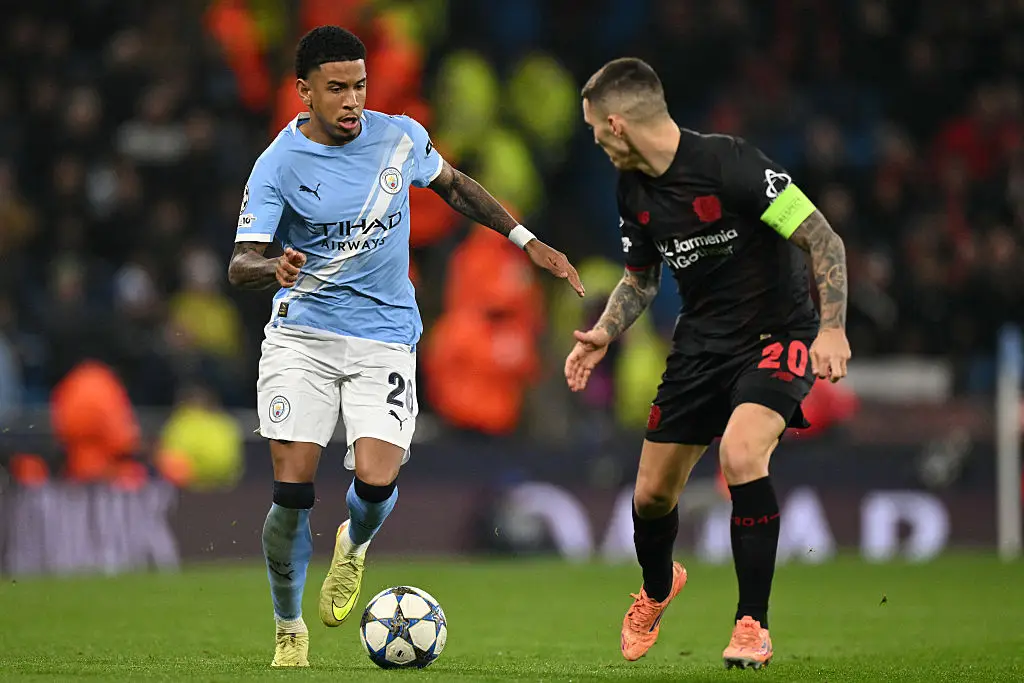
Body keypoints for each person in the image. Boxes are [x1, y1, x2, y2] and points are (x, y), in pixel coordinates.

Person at [228, 26, 584, 668]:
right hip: (302, 336)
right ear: (304, 92)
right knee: (292, 493)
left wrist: (526, 239)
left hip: (386, 338)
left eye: (359, 85)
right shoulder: (278, 163)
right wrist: (272, 267)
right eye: (336, 88)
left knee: (375, 479)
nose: (352, 100)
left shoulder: (400, 137)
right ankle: (289, 627)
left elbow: (454, 185)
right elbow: (239, 265)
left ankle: (354, 547)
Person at [565, 58, 851, 669]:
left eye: (593, 127)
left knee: (741, 453)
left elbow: (823, 239)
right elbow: (640, 282)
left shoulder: (731, 164)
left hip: (778, 334)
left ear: (616, 123)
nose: (592, 138)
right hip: (701, 345)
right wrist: (604, 333)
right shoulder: (633, 188)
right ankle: (660, 585)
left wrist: (831, 329)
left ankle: (752, 624)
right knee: (649, 497)